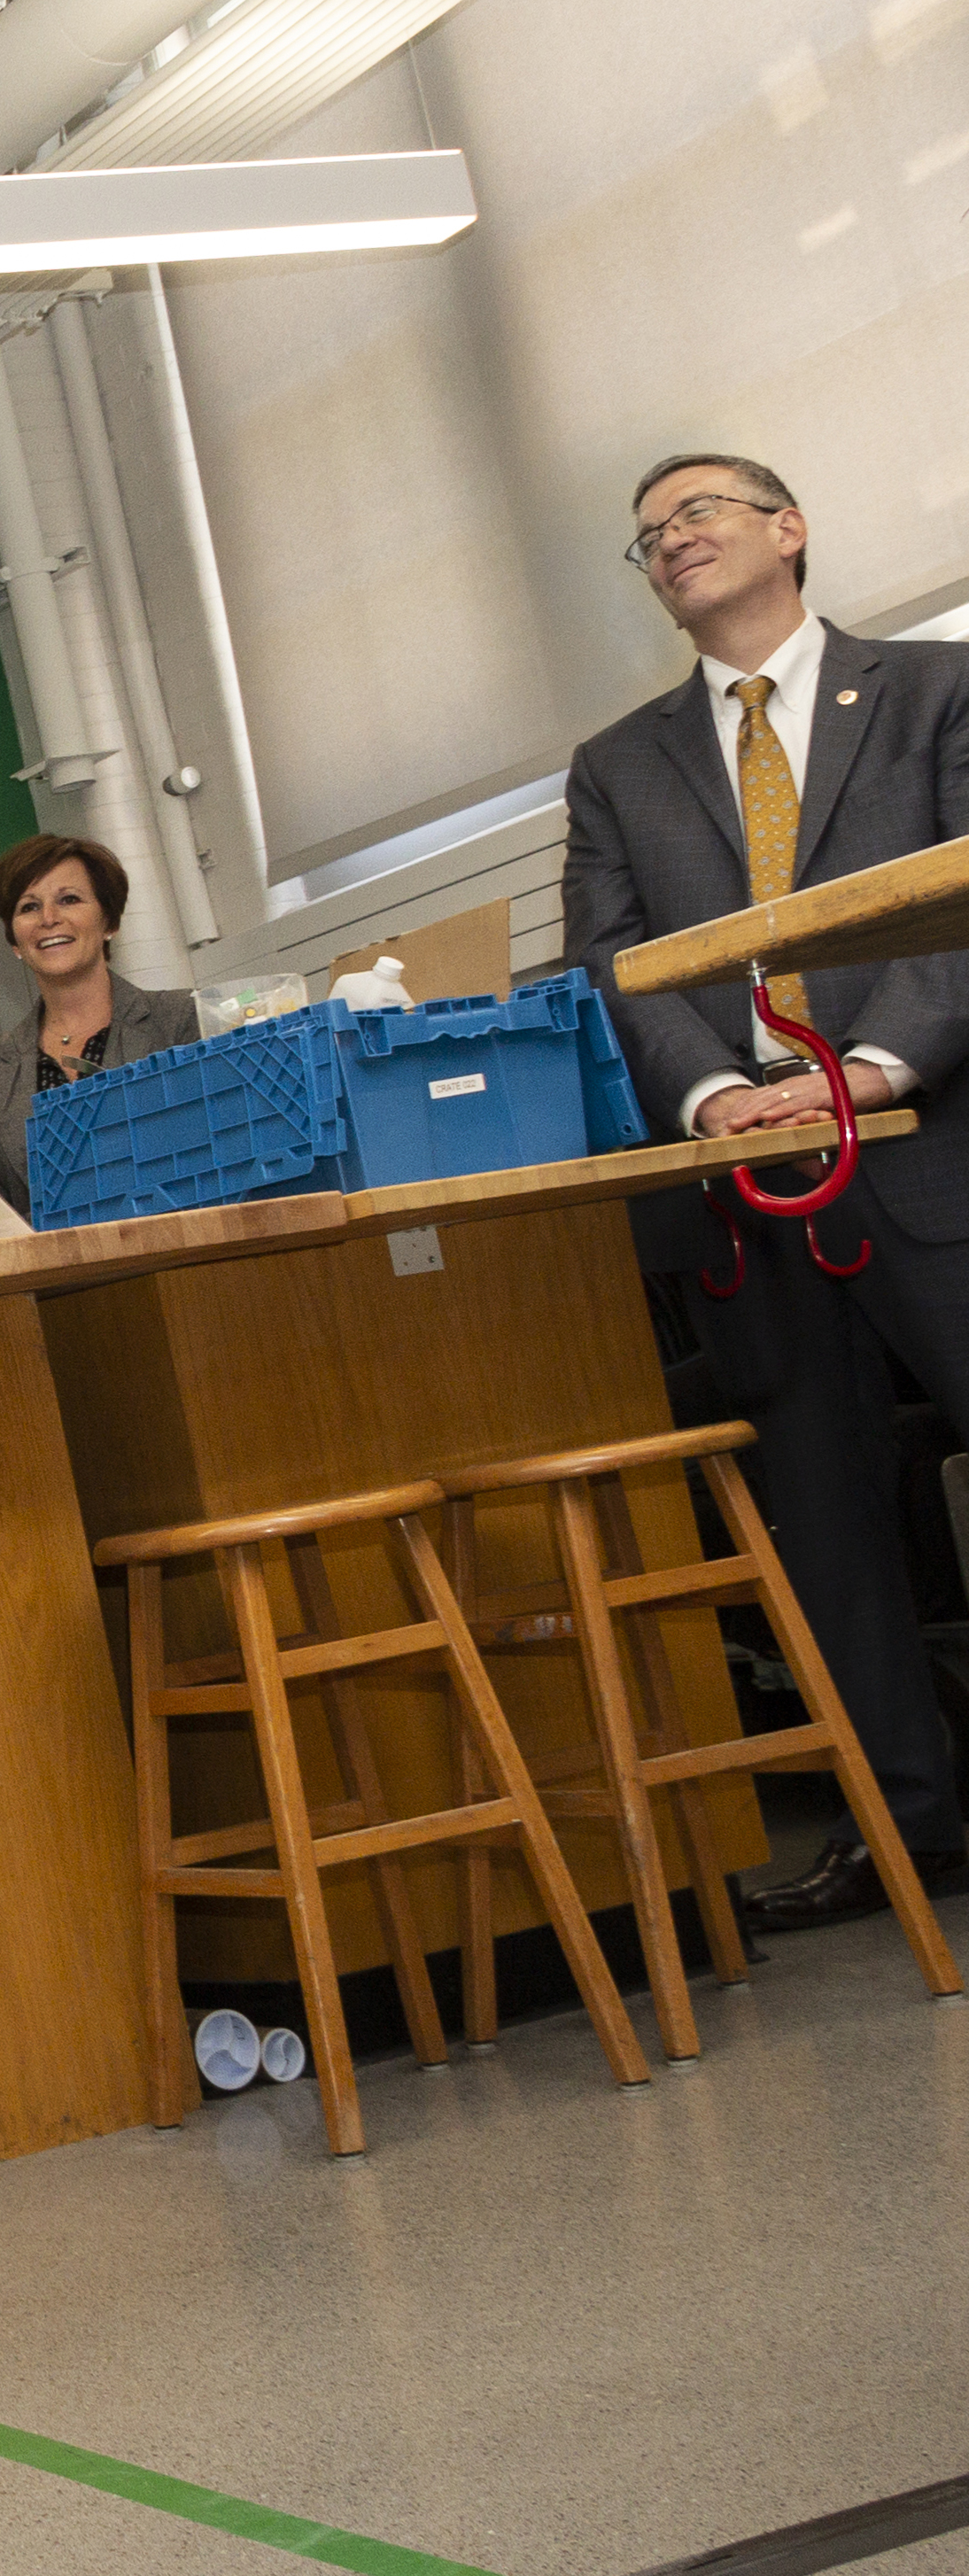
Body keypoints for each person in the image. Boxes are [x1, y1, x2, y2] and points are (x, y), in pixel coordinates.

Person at [562, 451, 969, 1928]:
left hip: (928, 1154)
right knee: (827, 1529)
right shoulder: (618, 764)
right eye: (648, 532)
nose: (668, 539)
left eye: (697, 513)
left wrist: (862, 1068)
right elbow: (606, 964)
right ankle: (903, 1833)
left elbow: (966, 902)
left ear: (788, 529)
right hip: (749, 1197)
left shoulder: (937, 693)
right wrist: (726, 1099)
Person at [0, 832, 201, 1221]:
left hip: (182, 1266)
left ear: (109, 921)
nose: (49, 919)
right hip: (60, 1278)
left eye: (69, 899)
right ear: (14, 942)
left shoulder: (181, 1021)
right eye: (28, 907)